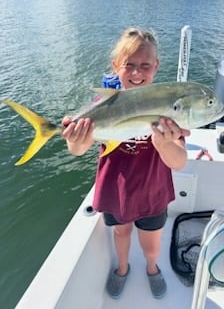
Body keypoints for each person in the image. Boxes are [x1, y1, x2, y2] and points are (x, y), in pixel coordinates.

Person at [62, 27, 190, 299]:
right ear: (115, 66)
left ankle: (153, 267)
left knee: (151, 243)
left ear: (156, 66)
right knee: (121, 234)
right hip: (117, 190)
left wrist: (164, 143)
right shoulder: (104, 105)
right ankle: (122, 268)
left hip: (153, 191)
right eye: (129, 65)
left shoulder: (168, 104)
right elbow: (77, 149)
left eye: (145, 65)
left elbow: (178, 161)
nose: (136, 73)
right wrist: (74, 137)